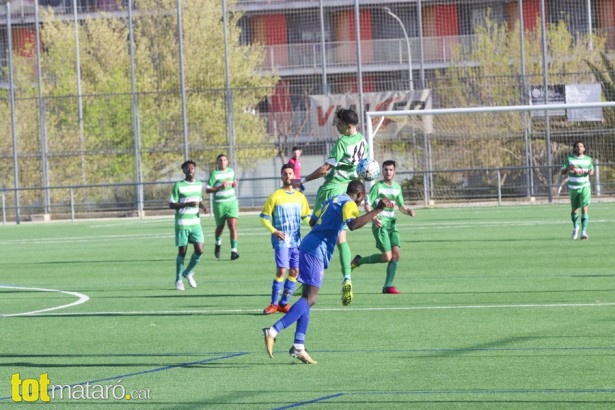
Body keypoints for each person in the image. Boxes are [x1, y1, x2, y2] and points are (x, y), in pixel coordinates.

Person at [262, 180, 392, 364]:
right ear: (360, 195)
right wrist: (376, 210)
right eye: (362, 199)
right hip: (316, 250)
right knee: (310, 299)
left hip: (308, 245)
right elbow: (353, 225)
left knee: (307, 298)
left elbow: (313, 220)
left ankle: (299, 345)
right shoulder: (348, 203)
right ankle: (273, 330)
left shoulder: (333, 199)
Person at [292, 108, 368, 306]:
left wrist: (303, 180)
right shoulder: (362, 140)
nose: (336, 125)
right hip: (348, 192)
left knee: (318, 231)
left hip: (331, 190)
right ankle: (347, 278)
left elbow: (326, 168)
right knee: (340, 236)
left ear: (347, 125)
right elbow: (363, 168)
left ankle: (310, 279)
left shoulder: (342, 143)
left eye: (339, 123)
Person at [350, 160, 415, 294]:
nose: (388, 172)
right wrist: (373, 218)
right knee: (387, 257)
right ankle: (358, 261)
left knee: (396, 255)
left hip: (392, 224)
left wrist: (407, 211)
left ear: (394, 171)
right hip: (380, 224)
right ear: (382, 171)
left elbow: (401, 207)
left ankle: (387, 286)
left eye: (391, 170)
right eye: (386, 170)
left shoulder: (397, 187)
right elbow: (367, 205)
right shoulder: (377, 187)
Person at [259, 164, 311, 315]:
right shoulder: (275, 196)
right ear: (281, 177)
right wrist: (274, 231)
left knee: (294, 271)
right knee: (282, 270)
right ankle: (273, 304)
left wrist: (314, 224)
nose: (288, 176)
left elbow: (306, 217)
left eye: (290, 173)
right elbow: (263, 219)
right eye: (285, 174)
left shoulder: (300, 197)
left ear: (293, 176)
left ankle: (283, 303)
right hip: (281, 240)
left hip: (296, 241)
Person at [169, 160, 207, 291]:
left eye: (192, 167)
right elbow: (171, 204)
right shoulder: (178, 186)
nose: (190, 169)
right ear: (184, 171)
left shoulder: (198, 184)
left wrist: (203, 207)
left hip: (196, 223)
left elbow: (199, 200)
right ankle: (178, 279)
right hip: (182, 223)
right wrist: (187, 204)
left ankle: (188, 272)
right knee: (182, 252)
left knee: (200, 250)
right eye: (187, 168)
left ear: (195, 169)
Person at [206, 154, 240, 260]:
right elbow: (207, 189)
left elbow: (234, 182)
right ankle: (217, 243)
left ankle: (234, 251)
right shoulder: (214, 174)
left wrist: (235, 184)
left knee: (232, 226)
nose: (223, 162)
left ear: (227, 161)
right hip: (219, 204)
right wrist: (220, 187)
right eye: (220, 160)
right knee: (220, 227)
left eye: (225, 160)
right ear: (217, 162)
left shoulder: (231, 171)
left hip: (231, 202)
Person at [561, 140, 594, 240]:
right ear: (574, 148)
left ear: (584, 148)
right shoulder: (570, 159)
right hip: (573, 188)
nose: (579, 148)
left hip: (585, 187)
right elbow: (562, 171)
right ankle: (576, 227)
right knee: (574, 210)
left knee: (584, 208)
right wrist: (568, 168)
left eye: (581, 146)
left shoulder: (588, 159)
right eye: (577, 146)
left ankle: (584, 232)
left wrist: (589, 171)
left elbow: (591, 170)